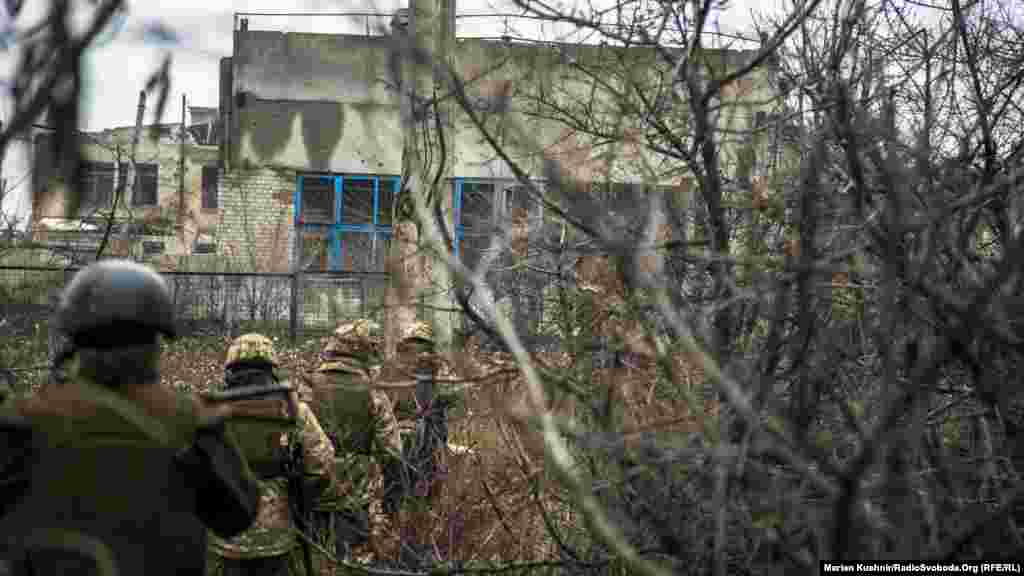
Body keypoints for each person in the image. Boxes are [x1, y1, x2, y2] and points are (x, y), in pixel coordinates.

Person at [0, 259, 260, 576]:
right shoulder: (191, 423)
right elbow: (238, 517)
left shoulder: (24, 420)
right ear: (156, 341)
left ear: (75, 341)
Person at [209, 333, 337, 576]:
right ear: (272, 368)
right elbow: (322, 463)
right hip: (277, 536)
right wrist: (301, 496)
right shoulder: (294, 410)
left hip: (226, 537)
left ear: (230, 368)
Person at [305, 319, 403, 566]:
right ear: (363, 350)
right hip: (355, 491)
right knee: (351, 560)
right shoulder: (371, 390)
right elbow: (391, 450)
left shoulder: (307, 385)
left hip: (312, 487)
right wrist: (392, 501)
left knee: (312, 558)